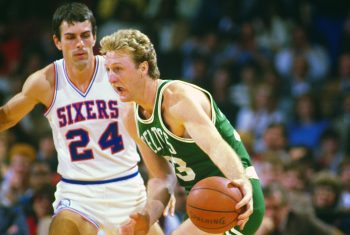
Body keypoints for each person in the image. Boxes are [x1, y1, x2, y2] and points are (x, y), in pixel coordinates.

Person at [0, 3, 174, 235]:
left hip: (127, 185)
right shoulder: (45, 82)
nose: (79, 44)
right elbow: (7, 116)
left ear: (94, 38)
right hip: (78, 192)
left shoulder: (118, 72)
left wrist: (162, 184)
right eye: (70, 37)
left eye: (85, 35)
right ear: (57, 42)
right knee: (62, 228)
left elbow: (153, 120)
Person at [101, 29, 265, 235]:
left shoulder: (177, 99)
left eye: (118, 69)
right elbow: (161, 177)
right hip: (202, 204)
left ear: (143, 68)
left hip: (232, 196)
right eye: (107, 69)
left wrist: (241, 181)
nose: (111, 78)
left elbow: (217, 147)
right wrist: (148, 216)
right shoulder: (129, 116)